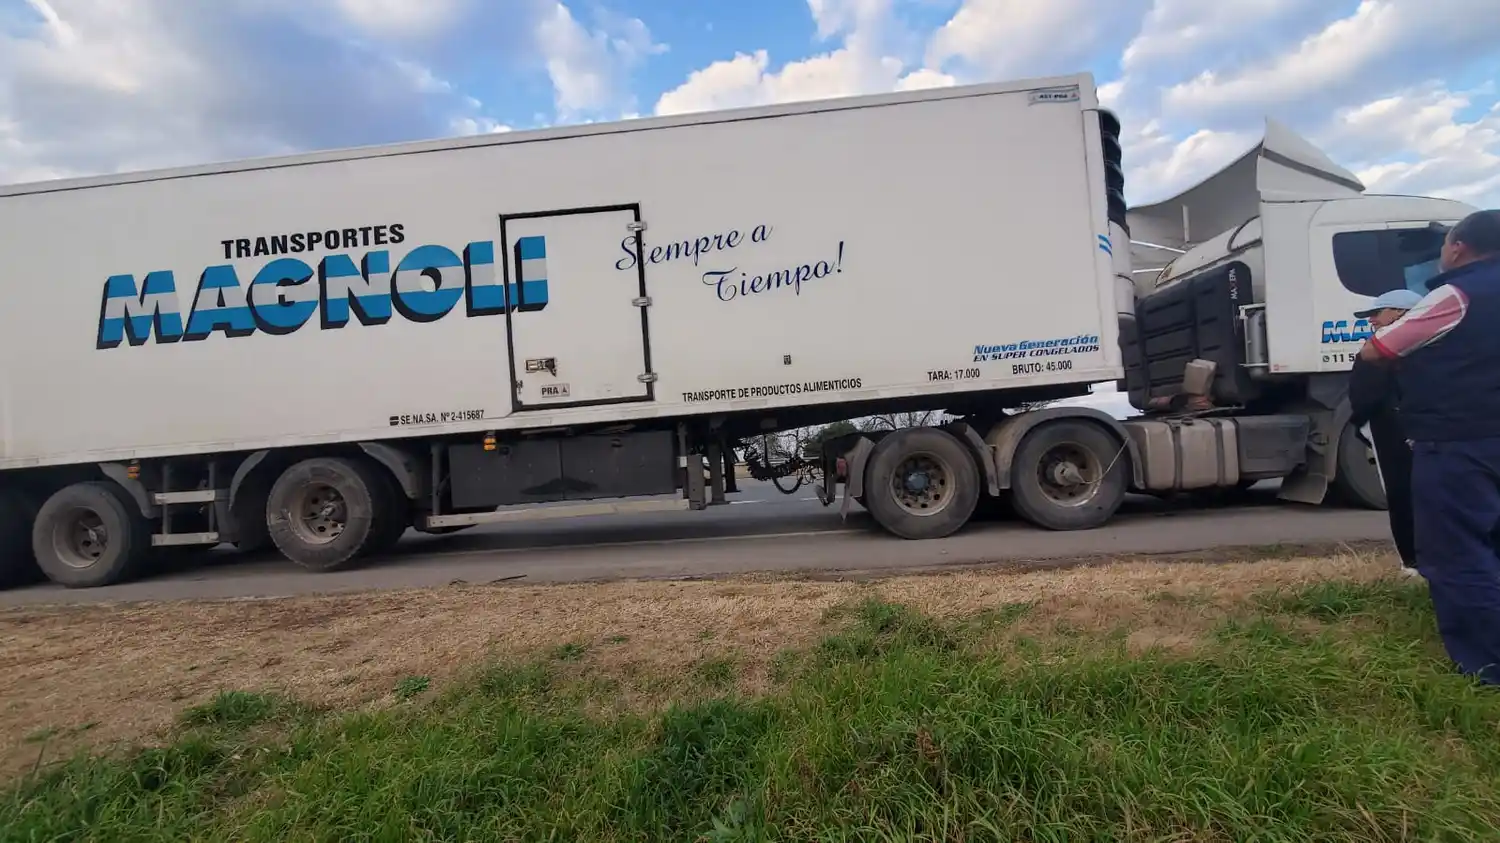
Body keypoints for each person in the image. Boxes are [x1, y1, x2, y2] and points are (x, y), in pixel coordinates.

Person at [1358, 209, 1500, 686]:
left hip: (1461, 441)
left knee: (1460, 553)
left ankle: (1488, 669)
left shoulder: (1456, 292)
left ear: (1457, 247)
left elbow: (1380, 350)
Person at [1348, 288, 1422, 576]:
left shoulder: (1379, 351)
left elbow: (1364, 395)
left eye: (1376, 313)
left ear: (1400, 313)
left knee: (1405, 492)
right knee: (1403, 493)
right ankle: (1413, 561)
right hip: (1394, 427)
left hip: (1399, 428)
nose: (1371, 321)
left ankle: (1415, 562)